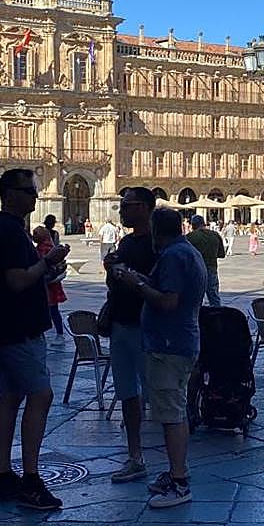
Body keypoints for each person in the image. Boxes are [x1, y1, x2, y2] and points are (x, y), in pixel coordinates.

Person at [0, 168, 70, 510]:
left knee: (10, 397)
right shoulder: (9, 232)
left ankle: (4, 476)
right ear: (11, 194)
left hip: (5, 327)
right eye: (30, 191)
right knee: (40, 394)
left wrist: (45, 269)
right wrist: (47, 260)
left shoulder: (3, 230)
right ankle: (31, 479)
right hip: (19, 329)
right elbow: (17, 280)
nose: (35, 196)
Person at [113, 207, 206, 508]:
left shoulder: (174, 256)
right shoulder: (184, 251)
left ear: (155, 230)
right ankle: (176, 471)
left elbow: (167, 301)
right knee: (171, 409)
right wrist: (137, 276)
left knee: (171, 413)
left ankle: (179, 483)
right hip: (176, 340)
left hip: (170, 344)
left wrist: (136, 285)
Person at [103, 187, 159, 484]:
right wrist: (112, 270)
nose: (121, 210)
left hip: (148, 327)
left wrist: (130, 277)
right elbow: (114, 283)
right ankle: (135, 456)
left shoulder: (159, 244)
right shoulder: (125, 242)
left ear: (145, 207)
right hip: (121, 324)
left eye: (127, 205)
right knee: (127, 393)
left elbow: (164, 286)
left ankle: (176, 461)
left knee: (160, 392)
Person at [32, 225, 67, 338]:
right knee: (52, 309)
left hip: (48, 283)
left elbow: (43, 264)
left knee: (50, 309)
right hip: (50, 281)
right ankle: (58, 331)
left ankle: (55, 332)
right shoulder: (47, 246)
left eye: (36, 234)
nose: (34, 236)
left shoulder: (44, 248)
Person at [185, 214, 226, 307]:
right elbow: (221, 254)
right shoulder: (215, 235)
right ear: (204, 223)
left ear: (192, 225)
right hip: (211, 268)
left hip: (195, 270)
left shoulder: (189, 237)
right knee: (214, 296)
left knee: (195, 297)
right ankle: (217, 316)